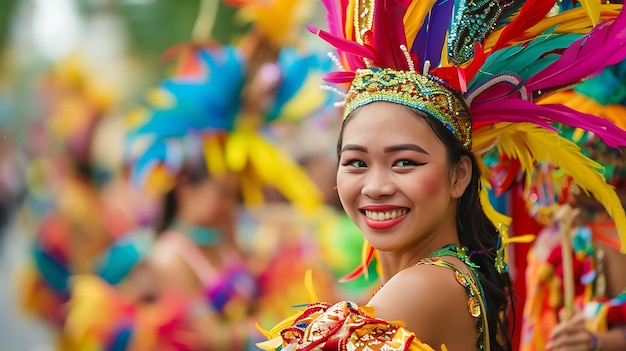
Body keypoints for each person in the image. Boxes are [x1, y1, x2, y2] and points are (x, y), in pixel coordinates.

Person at [257, 1, 626, 350]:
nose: (376, 186)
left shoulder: (425, 286)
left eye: (405, 162)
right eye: (356, 162)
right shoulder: (440, 277)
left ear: (459, 175)